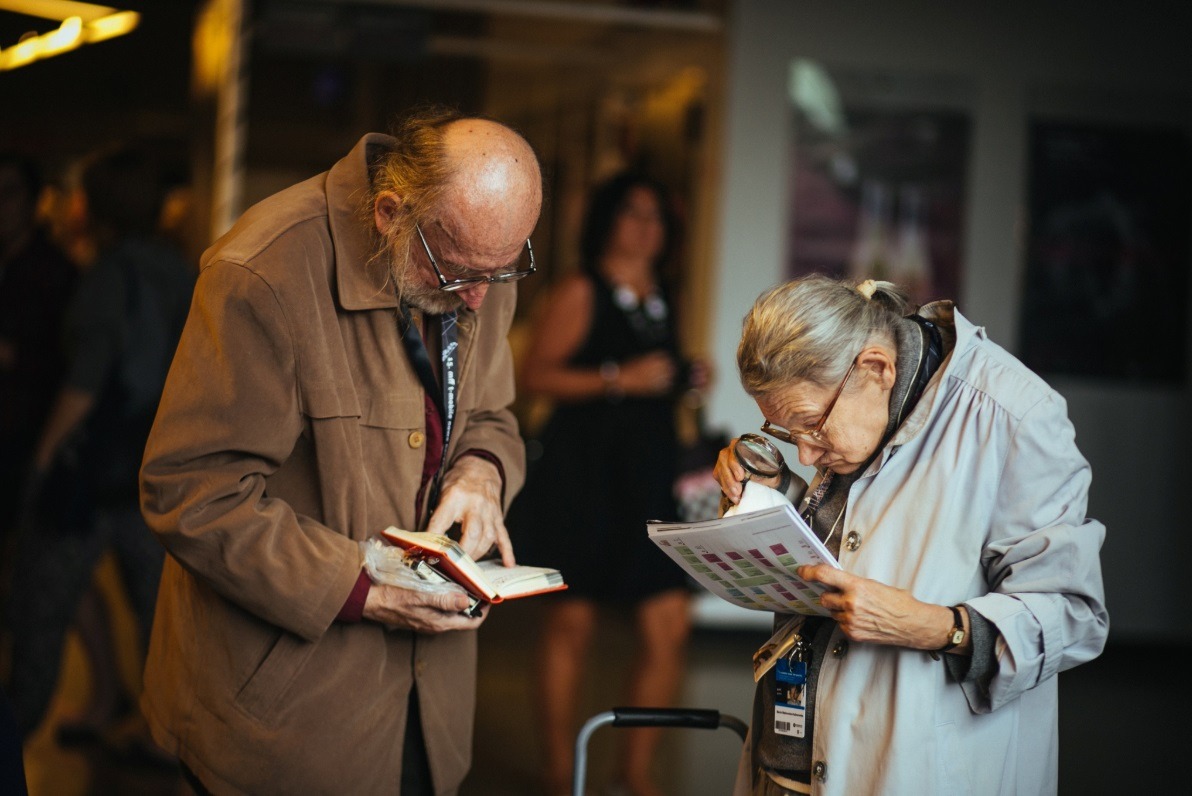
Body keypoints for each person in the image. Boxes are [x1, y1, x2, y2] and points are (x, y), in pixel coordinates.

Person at [137, 110, 541, 795]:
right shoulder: (261, 271)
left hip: (428, 708)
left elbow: (493, 414)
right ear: (390, 214)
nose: (478, 299)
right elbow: (191, 490)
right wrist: (363, 588)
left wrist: (481, 470)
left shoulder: (481, 261)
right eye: (462, 272)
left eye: (503, 274)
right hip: (283, 718)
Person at [715, 275, 1108, 795]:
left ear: (876, 368)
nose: (805, 453)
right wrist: (775, 494)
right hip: (791, 758)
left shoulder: (1015, 417)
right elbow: (864, 538)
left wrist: (932, 626)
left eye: (810, 426)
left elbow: (1076, 618)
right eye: (787, 433)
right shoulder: (862, 403)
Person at [508, 172, 705, 796]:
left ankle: (635, 773)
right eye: (632, 213)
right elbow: (534, 375)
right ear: (607, 221)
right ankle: (560, 772)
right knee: (572, 624)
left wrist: (683, 377)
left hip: (647, 480)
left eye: (657, 216)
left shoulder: (662, 294)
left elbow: (657, 377)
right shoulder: (581, 288)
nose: (647, 226)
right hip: (582, 478)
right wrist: (621, 378)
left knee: (668, 624)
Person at [5, 146, 193, 743]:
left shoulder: (108, 278)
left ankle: (16, 732)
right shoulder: (186, 272)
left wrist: (41, 463)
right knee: (160, 615)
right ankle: (162, 734)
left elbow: (85, 382)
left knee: (37, 609)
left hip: (98, 470)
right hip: (163, 464)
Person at [0, 153, 77, 558]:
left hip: (28, 439)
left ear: (32, 201)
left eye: (9, 193)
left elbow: (74, 364)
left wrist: (16, 357)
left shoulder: (54, 272)